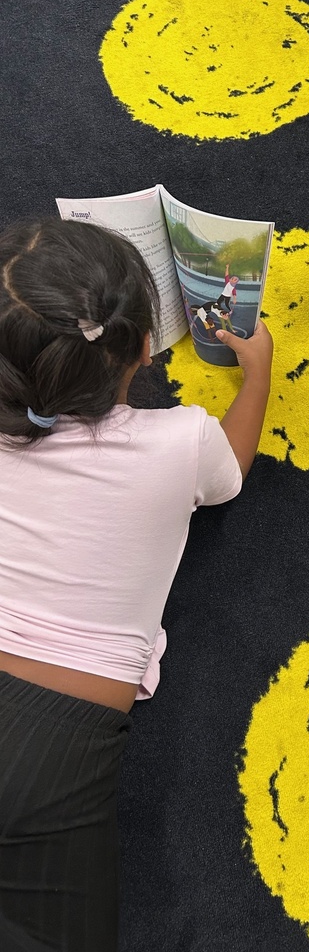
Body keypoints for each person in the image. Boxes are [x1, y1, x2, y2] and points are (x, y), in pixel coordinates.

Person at [0, 218, 273, 951]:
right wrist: (259, 375)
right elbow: (232, 471)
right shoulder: (181, 441)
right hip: (49, 744)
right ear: (147, 352)